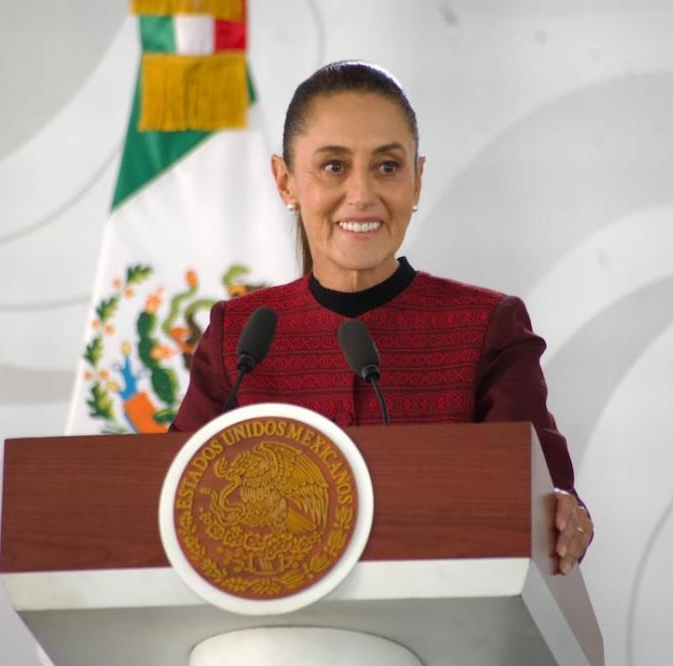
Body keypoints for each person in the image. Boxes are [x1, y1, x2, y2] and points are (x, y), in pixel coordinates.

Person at [171, 61, 593, 573]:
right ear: (285, 183)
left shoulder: (487, 326)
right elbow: (175, 502)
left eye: (388, 167)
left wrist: (567, 516)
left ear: (416, 181)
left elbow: (541, 501)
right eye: (333, 166)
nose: (362, 195)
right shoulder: (239, 338)